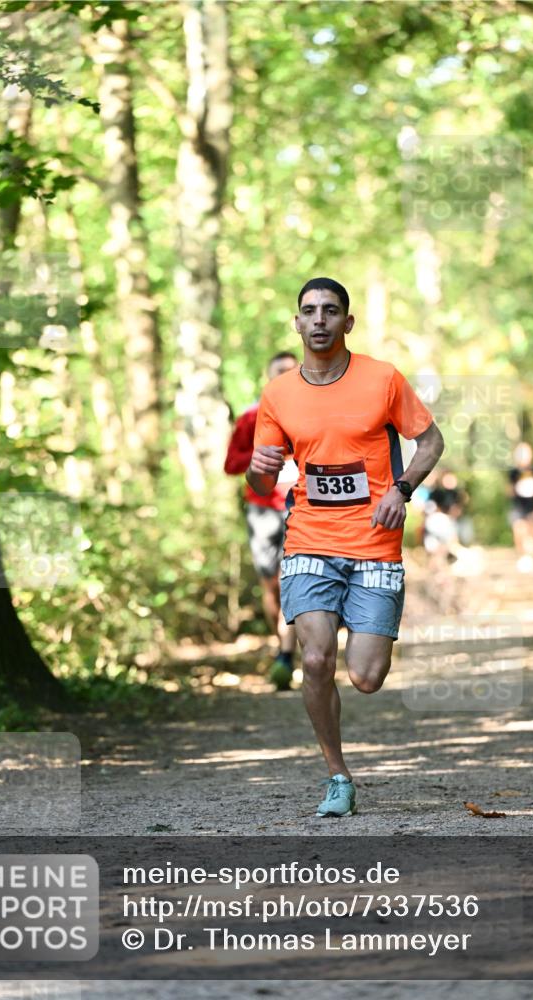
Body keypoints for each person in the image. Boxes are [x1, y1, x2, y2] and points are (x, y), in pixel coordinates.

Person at [246, 278, 444, 817]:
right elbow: (263, 481)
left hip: (375, 542)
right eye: (309, 311)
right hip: (309, 540)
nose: (319, 320)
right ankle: (337, 775)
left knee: (366, 677)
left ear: (347, 322)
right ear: (297, 323)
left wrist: (402, 490)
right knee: (315, 658)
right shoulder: (279, 393)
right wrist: (256, 470)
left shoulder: (382, 379)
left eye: (330, 311)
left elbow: (431, 441)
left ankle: (366, 653)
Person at [224, 353, 299, 689]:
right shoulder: (251, 416)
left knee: (289, 579)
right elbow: (230, 463)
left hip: (300, 505)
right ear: (268, 377)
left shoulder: (312, 412)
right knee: (271, 586)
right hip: (261, 509)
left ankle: (287, 654)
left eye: (292, 370)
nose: (286, 375)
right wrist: (261, 457)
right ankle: (283, 646)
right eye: (280, 371)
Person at [507, 442, 533, 573]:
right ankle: (521, 555)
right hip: (518, 505)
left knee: (531, 530)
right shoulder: (514, 472)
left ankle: (529, 556)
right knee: (518, 529)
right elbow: (509, 489)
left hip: (532, 504)